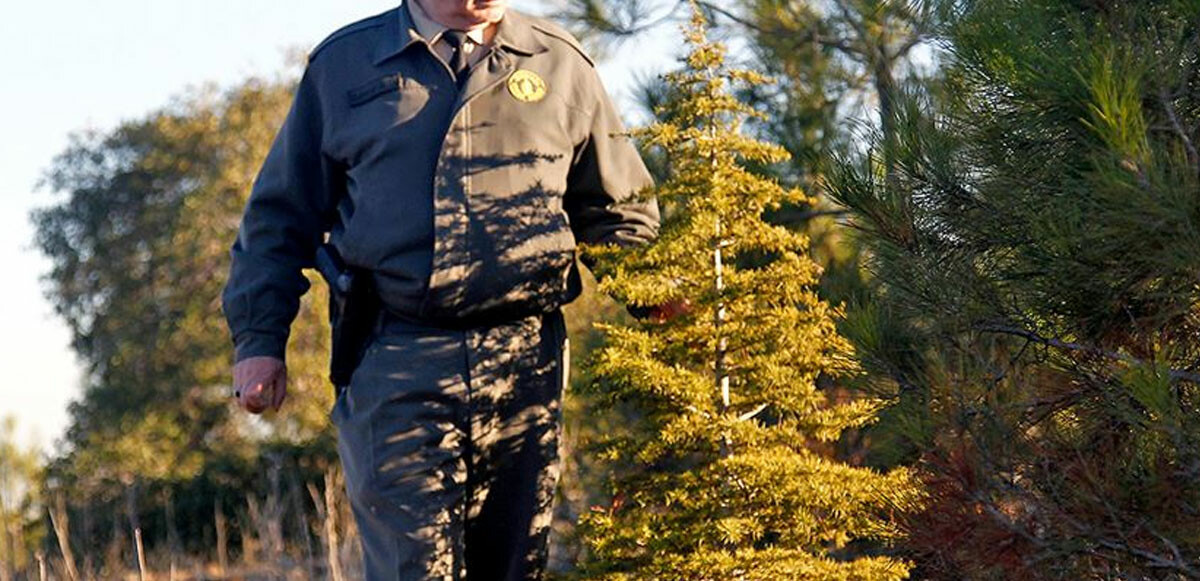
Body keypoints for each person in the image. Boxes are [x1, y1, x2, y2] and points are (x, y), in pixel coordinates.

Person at [220, 0, 660, 578]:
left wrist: (660, 300)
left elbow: (616, 212)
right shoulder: (347, 64)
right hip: (395, 353)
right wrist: (259, 342)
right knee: (414, 566)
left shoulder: (560, 63)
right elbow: (279, 220)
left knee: (511, 565)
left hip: (525, 359)